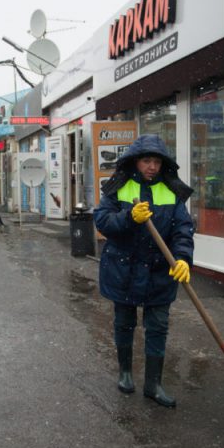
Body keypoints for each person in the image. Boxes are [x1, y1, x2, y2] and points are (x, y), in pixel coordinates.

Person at [93, 134, 194, 408]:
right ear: (135, 162)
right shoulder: (119, 188)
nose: (152, 166)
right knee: (124, 323)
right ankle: (125, 373)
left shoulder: (171, 192)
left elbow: (182, 230)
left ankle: (153, 384)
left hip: (159, 272)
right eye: (146, 161)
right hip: (123, 270)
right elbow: (102, 222)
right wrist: (128, 217)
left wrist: (183, 258)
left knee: (158, 327)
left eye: (156, 161)